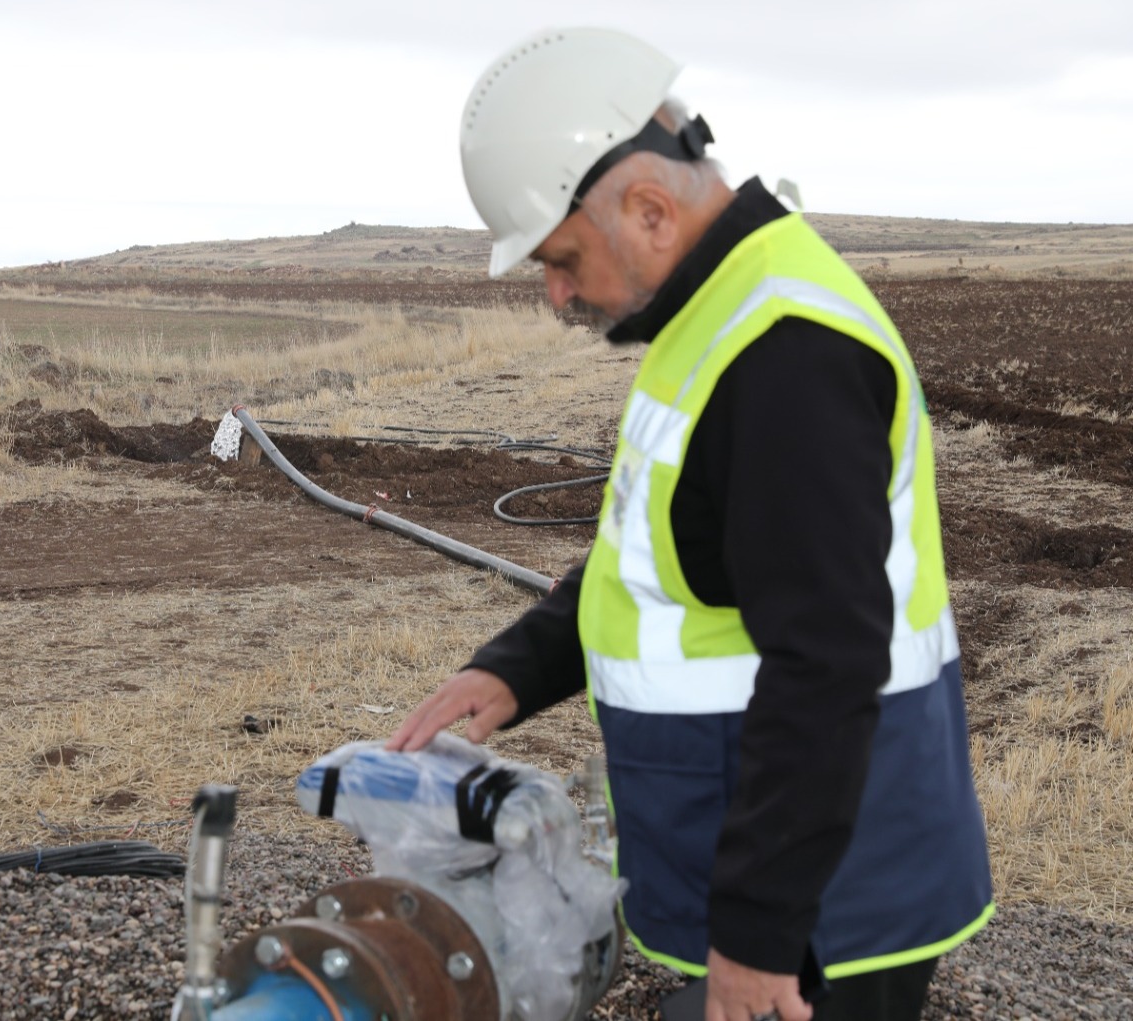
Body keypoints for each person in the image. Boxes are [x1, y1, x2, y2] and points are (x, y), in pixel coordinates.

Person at [387, 28, 991, 1021]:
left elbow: (826, 664)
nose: (556, 295)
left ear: (649, 209)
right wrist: (516, 667)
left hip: (825, 917)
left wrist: (756, 937)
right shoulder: (719, 319)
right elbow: (658, 554)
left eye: (561, 259)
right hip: (781, 876)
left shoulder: (781, 358)